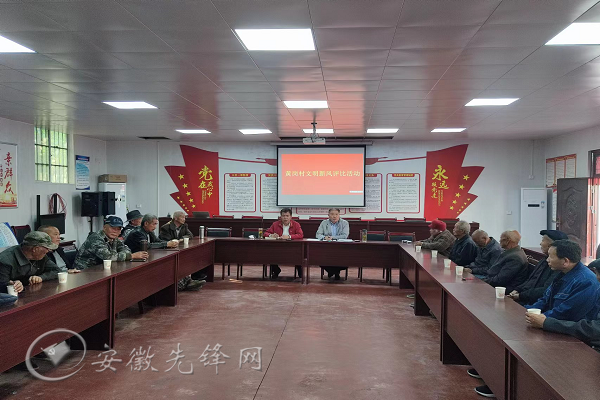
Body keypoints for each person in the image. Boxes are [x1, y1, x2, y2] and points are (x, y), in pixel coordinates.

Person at [526, 259, 600, 352]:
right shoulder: (561, 275)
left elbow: (592, 329)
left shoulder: (587, 281)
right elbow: (545, 298)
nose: (597, 278)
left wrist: (546, 322)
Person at [523, 239, 600, 321]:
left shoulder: (586, 282)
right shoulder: (562, 273)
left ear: (565, 261)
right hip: (549, 320)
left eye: (550, 256)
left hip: (563, 325)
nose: (547, 260)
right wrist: (527, 311)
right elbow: (545, 300)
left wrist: (542, 319)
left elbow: (566, 313)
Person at [126, 214, 203, 291]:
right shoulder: (137, 233)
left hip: (146, 257)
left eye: (156, 224)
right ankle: (180, 285)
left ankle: (188, 282)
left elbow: (157, 241)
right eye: (154, 224)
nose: (155, 227)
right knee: (167, 265)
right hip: (135, 261)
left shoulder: (149, 231)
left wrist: (169, 243)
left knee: (175, 261)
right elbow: (148, 246)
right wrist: (166, 244)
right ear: (146, 223)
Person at [507, 230, 566, 305]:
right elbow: (530, 280)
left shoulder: (557, 267)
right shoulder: (543, 260)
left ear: (551, 245)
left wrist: (520, 296)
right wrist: (517, 290)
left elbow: (544, 290)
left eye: (543, 240)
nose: (540, 243)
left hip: (535, 302)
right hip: (525, 297)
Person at [75, 216, 147, 270]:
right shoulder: (96, 238)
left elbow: (126, 249)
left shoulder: (114, 238)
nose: (115, 231)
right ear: (104, 228)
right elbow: (108, 257)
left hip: (101, 268)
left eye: (118, 229)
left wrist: (124, 254)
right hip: (85, 270)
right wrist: (131, 256)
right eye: (113, 228)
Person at [264, 208, 304, 279]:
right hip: (278, 247)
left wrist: (289, 236)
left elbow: (300, 235)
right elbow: (265, 233)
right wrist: (271, 235)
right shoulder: (275, 224)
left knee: (298, 253)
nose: (285, 218)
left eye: (287, 216)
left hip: (292, 247)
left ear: (291, 217)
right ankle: (276, 271)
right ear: (280, 216)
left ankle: (300, 271)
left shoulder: (296, 224)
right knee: (271, 254)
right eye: (283, 216)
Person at [316, 208, 350, 280]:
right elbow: (318, 234)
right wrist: (324, 237)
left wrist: (332, 238)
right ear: (328, 215)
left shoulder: (344, 223)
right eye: (332, 214)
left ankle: (333, 272)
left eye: (336, 214)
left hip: (340, 247)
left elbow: (344, 235)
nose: (334, 216)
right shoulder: (324, 223)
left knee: (340, 258)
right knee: (321, 258)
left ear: (339, 215)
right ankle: (334, 272)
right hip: (326, 247)